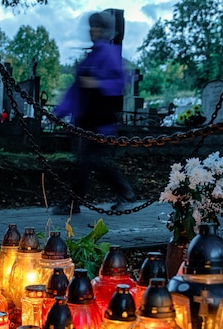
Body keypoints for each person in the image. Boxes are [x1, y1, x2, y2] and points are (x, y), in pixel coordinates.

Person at [53, 11, 135, 214]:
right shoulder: (90, 58)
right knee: (85, 163)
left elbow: (119, 83)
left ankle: (123, 192)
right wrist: (59, 112)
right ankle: (77, 202)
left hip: (101, 121)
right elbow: (76, 90)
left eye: (97, 27)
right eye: (91, 27)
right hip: (85, 119)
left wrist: (98, 83)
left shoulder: (108, 54)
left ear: (104, 30)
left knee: (92, 162)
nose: (93, 30)